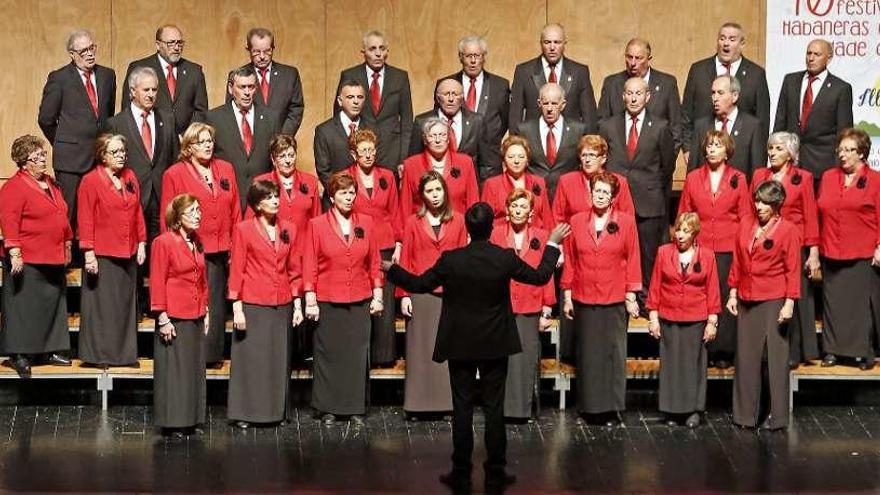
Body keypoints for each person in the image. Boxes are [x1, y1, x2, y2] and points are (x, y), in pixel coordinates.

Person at [385, 202, 567, 493]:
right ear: (491, 229)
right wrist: (553, 244)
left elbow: (419, 284)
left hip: (461, 343)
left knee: (462, 408)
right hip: (495, 342)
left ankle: (460, 472)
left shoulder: (451, 259)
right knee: (494, 409)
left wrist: (391, 270)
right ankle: (495, 473)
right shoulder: (503, 257)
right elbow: (540, 277)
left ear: (467, 229)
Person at [561, 171, 641, 426]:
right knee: (588, 355)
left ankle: (612, 409)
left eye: (606, 192)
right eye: (597, 191)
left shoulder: (626, 222)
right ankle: (588, 408)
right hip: (584, 296)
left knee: (612, 355)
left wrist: (631, 294)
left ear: (614, 197)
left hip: (614, 297)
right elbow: (571, 262)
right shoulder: (576, 221)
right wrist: (567, 296)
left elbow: (633, 259)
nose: (601, 196)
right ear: (590, 193)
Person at [303, 172, 383, 425]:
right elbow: (310, 264)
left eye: (352, 193)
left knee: (356, 355)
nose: (349, 198)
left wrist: (378, 294)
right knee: (328, 355)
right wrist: (310, 298)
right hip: (328, 299)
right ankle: (328, 407)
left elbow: (375, 262)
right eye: (343, 193)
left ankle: (354, 407)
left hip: (359, 298)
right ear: (331, 196)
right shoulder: (317, 224)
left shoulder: (367, 223)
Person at [161, 122, 241, 367]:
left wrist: (235, 245)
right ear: (188, 147)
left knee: (215, 305)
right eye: (201, 142)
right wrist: (176, 248)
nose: (207, 145)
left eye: (209, 141)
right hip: (190, 249)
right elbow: (169, 215)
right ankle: (191, 355)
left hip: (220, 249)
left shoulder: (225, 168)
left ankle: (211, 356)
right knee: (192, 302)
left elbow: (236, 209)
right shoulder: (174, 174)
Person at [227, 180, 303, 429]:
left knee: (277, 358)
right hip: (253, 301)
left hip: (281, 302)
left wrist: (298, 303)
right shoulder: (244, 229)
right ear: (258, 204)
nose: (275, 201)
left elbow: (294, 269)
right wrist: (237, 306)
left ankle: (276, 412)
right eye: (269, 197)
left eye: (276, 196)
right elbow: (237, 268)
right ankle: (246, 413)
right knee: (252, 358)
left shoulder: (289, 228)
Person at [727, 181, 801, 430]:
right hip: (747, 297)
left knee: (775, 359)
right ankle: (745, 415)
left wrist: (789, 302)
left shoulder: (788, 229)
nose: (759, 206)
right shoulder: (745, 224)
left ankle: (777, 416)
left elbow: (792, 268)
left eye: (765, 203)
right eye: (757, 201)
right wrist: (733, 293)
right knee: (746, 358)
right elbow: (737, 260)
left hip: (773, 298)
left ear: (777, 205)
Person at [0, 135, 73, 376]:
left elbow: (62, 215)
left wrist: (67, 245)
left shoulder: (51, 184)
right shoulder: (13, 187)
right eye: (38, 157)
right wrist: (15, 252)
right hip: (27, 257)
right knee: (22, 307)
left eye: (43, 155)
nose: (44, 160)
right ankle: (18, 354)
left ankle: (49, 350)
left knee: (51, 305)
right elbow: (9, 222)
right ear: (24, 162)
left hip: (52, 255)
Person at [678, 130, 751, 370]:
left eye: (717, 145)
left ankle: (724, 350)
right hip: (701, 248)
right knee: (702, 298)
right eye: (708, 145)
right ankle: (703, 348)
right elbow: (685, 214)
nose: (711, 149)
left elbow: (745, 218)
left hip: (728, 248)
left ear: (727, 150)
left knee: (723, 296)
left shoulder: (738, 178)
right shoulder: (693, 177)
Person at [600, 76, 677, 302]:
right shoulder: (607, 125)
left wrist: (651, 188)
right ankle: (617, 295)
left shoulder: (661, 126)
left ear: (648, 96)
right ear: (623, 96)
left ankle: (646, 300)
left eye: (638, 93)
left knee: (648, 255)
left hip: (649, 202)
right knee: (613, 252)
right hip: (615, 202)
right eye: (629, 94)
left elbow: (667, 165)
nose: (634, 98)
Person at [398, 171, 468, 417]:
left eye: (438, 190)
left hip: (451, 294)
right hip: (421, 294)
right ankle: (417, 405)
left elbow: (463, 259)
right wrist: (404, 294)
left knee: (450, 350)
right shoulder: (412, 222)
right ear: (422, 195)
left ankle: (448, 404)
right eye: (429, 191)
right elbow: (405, 259)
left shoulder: (458, 220)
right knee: (420, 351)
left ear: (445, 191)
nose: (435, 195)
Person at [77, 134, 146, 368]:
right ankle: (100, 356)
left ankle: (124, 355)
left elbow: (138, 213)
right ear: (102, 156)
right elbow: (85, 220)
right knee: (102, 307)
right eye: (115, 152)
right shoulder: (90, 181)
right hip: (103, 254)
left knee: (124, 307)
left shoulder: (130, 176)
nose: (121, 156)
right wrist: (88, 253)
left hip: (128, 251)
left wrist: (142, 243)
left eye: (122, 152)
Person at [751, 132, 820, 367]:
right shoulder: (760, 175)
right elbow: (750, 212)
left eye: (778, 149)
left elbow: (810, 216)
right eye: (770, 148)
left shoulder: (803, 178)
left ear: (790, 154)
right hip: (765, 247)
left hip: (794, 246)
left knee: (795, 300)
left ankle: (795, 352)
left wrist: (813, 252)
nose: (772, 153)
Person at [646, 212, 720, 428]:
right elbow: (655, 287)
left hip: (696, 318)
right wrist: (653, 318)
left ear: (695, 233)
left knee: (693, 366)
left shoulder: (707, 255)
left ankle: (693, 411)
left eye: (686, 231)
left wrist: (712, 321)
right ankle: (672, 410)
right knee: (671, 366)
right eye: (678, 230)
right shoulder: (663, 252)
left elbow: (712, 289)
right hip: (669, 316)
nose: (680, 235)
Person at [38, 29, 116, 230]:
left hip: (100, 158)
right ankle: (65, 258)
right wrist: (63, 141)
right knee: (69, 213)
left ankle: (92, 257)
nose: (89, 54)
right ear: (72, 54)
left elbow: (107, 116)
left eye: (92, 48)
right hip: (70, 160)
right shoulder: (59, 78)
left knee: (98, 211)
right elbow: (46, 119)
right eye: (83, 51)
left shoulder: (108, 75)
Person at [489, 189, 556, 422]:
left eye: (523, 207)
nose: (518, 211)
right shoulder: (495, 234)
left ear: (530, 213)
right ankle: (500, 410)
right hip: (501, 306)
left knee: (525, 359)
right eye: (514, 207)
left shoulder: (542, 235)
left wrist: (547, 307)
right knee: (500, 360)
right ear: (507, 211)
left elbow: (545, 274)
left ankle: (521, 411)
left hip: (530, 306)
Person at [817, 128, 880, 370]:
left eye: (849, 150)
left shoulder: (875, 180)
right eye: (840, 150)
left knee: (860, 307)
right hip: (831, 249)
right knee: (834, 306)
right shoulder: (829, 177)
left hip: (863, 252)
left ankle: (864, 352)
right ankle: (832, 351)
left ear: (862, 153)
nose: (842, 155)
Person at [150, 194, 209, 438]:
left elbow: (202, 280)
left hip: (194, 313)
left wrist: (206, 310)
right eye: (192, 211)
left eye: (199, 210)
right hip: (174, 316)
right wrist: (162, 317)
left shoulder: (196, 241)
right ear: (178, 217)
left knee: (193, 369)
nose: (198, 215)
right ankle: (174, 421)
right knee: (175, 371)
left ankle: (192, 418)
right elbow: (157, 280)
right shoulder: (164, 242)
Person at [345, 129, 402, 366]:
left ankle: (384, 356)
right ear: (353, 154)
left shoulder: (387, 176)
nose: (368, 155)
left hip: (385, 245)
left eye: (371, 150)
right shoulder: (345, 178)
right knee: (362, 300)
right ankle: (362, 357)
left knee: (385, 304)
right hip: (358, 246)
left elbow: (395, 211)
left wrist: (399, 244)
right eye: (363, 151)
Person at [104, 66, 178, 241]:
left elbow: (175, 158)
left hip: (161, 198)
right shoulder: (116, 124)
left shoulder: (167, 119)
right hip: (130, 198)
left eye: (154, 89)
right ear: (132, 91)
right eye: (146, 90)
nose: (151, 94)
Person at [773, 39, 854, 184]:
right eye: (808, 53)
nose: (811, 58)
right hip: (790, 164)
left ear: (829, 58)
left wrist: (838, 169)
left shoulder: (840, 89)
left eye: (817, 54)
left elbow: (844, 133)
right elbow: (780, 121)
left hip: (822, 168)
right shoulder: (790, 81)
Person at [681, 22, 770, 153]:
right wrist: (688, 148)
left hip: (740, 154)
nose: (726, 43)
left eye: (732, 39)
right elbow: (686, 113)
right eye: (722, 38)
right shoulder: (698, 70)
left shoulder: (756, 74)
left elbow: (762, 119)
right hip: (703, 150)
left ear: (742, 44)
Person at [335, 30, 413, 175]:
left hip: (392, 152)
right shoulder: (350, 75)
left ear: (387, 51)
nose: (378, 53)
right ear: (363, 52)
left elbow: (407, 122)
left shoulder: (400, 77)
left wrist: (403, 158)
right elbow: (339, 118)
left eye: (382, 48)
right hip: (360, 150)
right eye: (372, 49)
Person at [205, 65, 279, 209]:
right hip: (226, 198)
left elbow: (275, 160)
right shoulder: (213, 118)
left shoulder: (271, 118)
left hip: (261, 199)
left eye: (251, 87)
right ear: (230, 89)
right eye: (242, 87)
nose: (247, 92)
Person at [439, 35, 510, 177]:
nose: (473, 61)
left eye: (477, 56)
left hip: (490, 162)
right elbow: (439, 120)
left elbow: (504, 121)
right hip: (453, 161)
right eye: (468, 56)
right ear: (460, 57)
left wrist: (488, 139)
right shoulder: (446, 84)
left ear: (484, 57)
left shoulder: (500, 85)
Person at [509, 23, 597, 134]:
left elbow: (589, 116)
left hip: (571, 143)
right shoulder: (524, 71)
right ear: (541, 44)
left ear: (565, 43)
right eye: (547, 42)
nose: (552, 47)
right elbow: (515, 116)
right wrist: (516, 144)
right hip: (533, 144)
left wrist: (589, 145)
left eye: (557, 42)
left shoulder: (579, 72)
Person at [120, 24, 208, 136]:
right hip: (152, 140)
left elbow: (201, 111)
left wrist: (188, 137)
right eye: (171, 43)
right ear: (158, 45)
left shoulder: (194, 71)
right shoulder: (140, 67)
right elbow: (128, 108)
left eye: (179, 43)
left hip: (185, 143)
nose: (176, 48)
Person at [598, 38, 682, 151]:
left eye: (638, 58)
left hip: (654, 164)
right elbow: (602, 125)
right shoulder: (612, 84)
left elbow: (675, 127)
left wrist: (665, 164)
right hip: (617, 163)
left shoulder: (667, 84)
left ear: (649, 59)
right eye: (629, 57)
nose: (632, 63)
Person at [516, 83, 587, 201]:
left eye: (554, 103)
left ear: (563, 104)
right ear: (539, 104)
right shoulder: (524, 130)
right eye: (545, 103)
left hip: (568, 195)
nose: (549, 108)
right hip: (534, 196)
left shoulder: (578, 130)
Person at [249, 134, 321, 252]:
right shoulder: (260, 182)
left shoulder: (310, 182)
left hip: (303, 250)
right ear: (273, 159)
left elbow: (317, 220)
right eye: (282, 156)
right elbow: (250, 222)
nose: (287, 160)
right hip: (271, 250)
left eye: (291, 155)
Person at [410, 78, 489, 180]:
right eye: (446, 94)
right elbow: (413, 161)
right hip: (432, 187)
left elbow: (486, 162)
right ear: (438, 98)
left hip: (468, 185)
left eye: (455, 94)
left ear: (462, 98)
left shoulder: (477, 121)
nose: (451, 99)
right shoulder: (422, 122)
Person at [686, 75, 765, 178]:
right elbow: (692, 170)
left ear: (735, 96)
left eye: (720, 93)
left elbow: (757, 171)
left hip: (739, 191)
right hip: (706, 191)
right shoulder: (701, 126)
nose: (715, 98)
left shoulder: (752, 126)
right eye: (713, 93)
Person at [400, 117, 479, 215]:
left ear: (448, 139)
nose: (438, 140)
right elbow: (405, 206)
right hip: (422, 227)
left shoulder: (465, 163)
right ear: (425, 140)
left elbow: (473, 201)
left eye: (442, 135)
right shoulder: (411, 165)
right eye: (432, 136)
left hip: (458, 226)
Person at [552, 134, 635, 224]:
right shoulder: (566, 182)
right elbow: (557, 218)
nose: (587, 160)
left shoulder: (619, 182)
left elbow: (628, 219)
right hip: (575, 236)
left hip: (611, 235)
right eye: (584, 155)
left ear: (603, 159)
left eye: (592, 155)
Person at [239, 27, 305, 135]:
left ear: (273, 48)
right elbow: (233, 112)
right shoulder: (238, 76)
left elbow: (296, 109)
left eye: (267, 51)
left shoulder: (289, 74)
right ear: (248, 49)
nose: (262, 57)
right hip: (250, 142)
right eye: (256, 52)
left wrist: (283, 138)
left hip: (281, 143)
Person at [481, 135, 553, 229]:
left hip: (534, 239)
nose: (516, 161)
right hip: (502, 239)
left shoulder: (539, 182)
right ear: (504, 161)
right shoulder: (492, 184)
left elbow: (547, 219)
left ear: (527, 160)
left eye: (521, 157)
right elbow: (485, 221)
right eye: (511, 157)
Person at [314, 80, 372, 189]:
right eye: (350, 97)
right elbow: (324, 171)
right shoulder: (324, 130)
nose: (356, 101)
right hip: (336, 197)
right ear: (340, 101)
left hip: (366, 197)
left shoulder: (371, 128)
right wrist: (342, 193)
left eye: (360, 97)